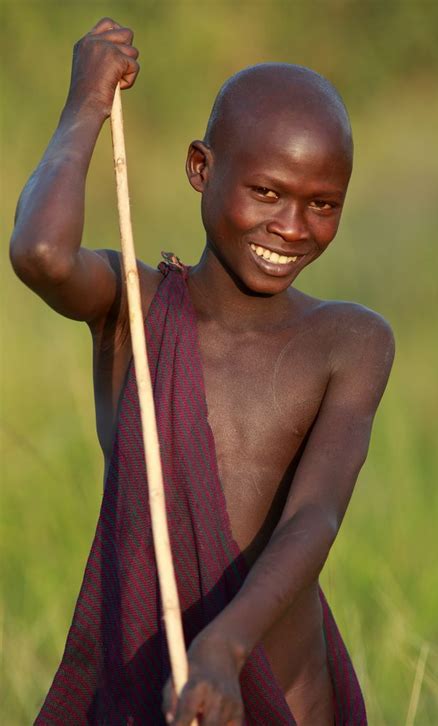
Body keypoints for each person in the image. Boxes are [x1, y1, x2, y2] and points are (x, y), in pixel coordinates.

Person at [10, 17, 395, 726]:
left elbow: (315, 516)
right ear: (200, 169)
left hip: (284, 691)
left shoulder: (350, 341)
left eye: (323, 204)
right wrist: (87, 103)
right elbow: (41, 254)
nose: (292, 227)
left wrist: (224, 647)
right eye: (268, 192)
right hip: (147, 684)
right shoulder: (135, 305)